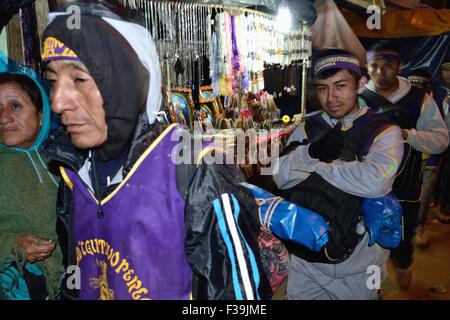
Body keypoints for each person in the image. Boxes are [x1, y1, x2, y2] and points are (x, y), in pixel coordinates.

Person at [40, 2, 271, 300]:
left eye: (81, 79)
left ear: (131, 81)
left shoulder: (195, 168)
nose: (58, 102)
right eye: (52, 80)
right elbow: (76, 282)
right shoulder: (72, 174)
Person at [273, 48, 404, 300]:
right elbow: (279, 175)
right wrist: (310, 152)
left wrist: (314, 163)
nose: (330, 97)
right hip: (305, 257)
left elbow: (375, 181)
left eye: (340, 86)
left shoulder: (384, 130)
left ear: (361, 84)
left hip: (360, 265)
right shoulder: (309, 126)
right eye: (323, 88)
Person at [361, 41, 449, 290]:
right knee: (368, 237)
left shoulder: (419, 99)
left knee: (403, 233)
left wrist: (408, 135)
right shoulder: (359, 98)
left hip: (405, 185)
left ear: (399, 65)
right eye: (374, 66)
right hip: (368, 185)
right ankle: (372, 288)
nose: (380, 73)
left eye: (387, 65)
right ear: (367, 67)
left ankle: (403, 264)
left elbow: (441, 140)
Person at [0, 51, 63, 300]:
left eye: (15, 106)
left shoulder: (65, 162)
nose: (4, 118)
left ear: (41, 115)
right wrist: (12, 246)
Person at [435, 56, 450, 224]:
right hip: (436, 137)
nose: (449, 74)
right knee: (433, 173)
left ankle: (443, 205)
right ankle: (432, 202)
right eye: (446, 70)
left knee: (448, 172)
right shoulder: (434, 92)